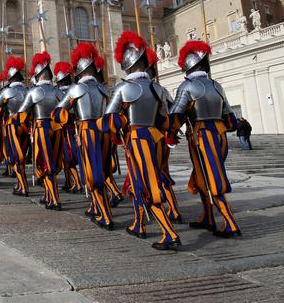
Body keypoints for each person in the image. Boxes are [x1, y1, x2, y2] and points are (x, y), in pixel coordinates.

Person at [103, 31, 181, 250]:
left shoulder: (123, 88)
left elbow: (109, 120)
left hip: (137, 139)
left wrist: (119, 128)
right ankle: (138, 223)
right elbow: (169, 119)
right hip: (156, 139)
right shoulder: (158, 88)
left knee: (148, 184)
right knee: (139, 181)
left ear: (127, 63)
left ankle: (169, 233)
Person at [169, 40, 242, 238]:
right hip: (219, 135)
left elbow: (176, 115)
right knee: (202, 177)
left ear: (188, 65)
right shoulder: (216, 85)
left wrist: (170, 134)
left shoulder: (187, 85)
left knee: (211, 178)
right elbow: (230, 118)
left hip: (202, 136)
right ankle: (208, 216)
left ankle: (230, 223)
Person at [55, 43, 113, 230]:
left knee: (91, 173)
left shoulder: (76, 89)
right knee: (102, 171)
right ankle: (96, 206)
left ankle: (106, 215)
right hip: (104, 132)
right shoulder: (104, 89)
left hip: (86, 131)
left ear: (79, 70)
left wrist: (69, 122)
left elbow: (59, 112)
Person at [18, 52, 62, 210]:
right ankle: (48, 195)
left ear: (37, 75)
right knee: (53, 163)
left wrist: (27, 129)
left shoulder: (33, 92)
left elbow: (22, 115)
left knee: (45, 164)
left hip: (41, 128)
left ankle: (55, 199)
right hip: (57, 128)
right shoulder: (58, 92)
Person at [146, 47, 182, 222]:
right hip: (161, 137)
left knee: (147, 174)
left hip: (145, 138)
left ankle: (155, 208)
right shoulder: (162, 90)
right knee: (163, 172)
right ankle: (174, 209)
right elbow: (172, 111)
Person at [0, 56, 30, 197]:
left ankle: (24, 186)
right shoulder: (28, 91)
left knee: (14, 156)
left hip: (12, 126)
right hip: (26, 126)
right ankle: (20, 184)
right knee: (22, 157)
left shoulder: (7, 92)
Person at [53, 62, 82, 194]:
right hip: (75, 124)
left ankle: (76, 182)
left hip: (66, 127)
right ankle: (69, 180)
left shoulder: (60, 92)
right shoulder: (74, 89)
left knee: (67, 155)